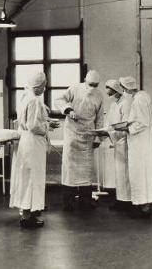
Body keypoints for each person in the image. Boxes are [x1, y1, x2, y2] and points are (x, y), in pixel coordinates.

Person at [9, 71, 59, 228]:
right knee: (33, 178)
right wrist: (48, 126)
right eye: (44, 85)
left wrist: (45, 120)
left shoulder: (24, 97)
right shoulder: (35, 101)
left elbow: (28, 120)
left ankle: (26, 212)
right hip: (33, 142)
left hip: (25, 140)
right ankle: (29, 216)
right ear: (38, 86)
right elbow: (34, 126)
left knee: (26, 177)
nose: (45, 88)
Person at [55, 70, 104, 211]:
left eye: (95, 85)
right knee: (70, 169)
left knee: (86, 171)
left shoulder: (99, 96)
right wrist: (68, 110)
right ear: (84, 80)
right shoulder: (75, 88)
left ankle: (85, 202)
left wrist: (98, 138)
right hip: (72, 133)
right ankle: (68, 203)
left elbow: (100, 118)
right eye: (90, 84)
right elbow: (59, 99)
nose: (92, 87)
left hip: (88, 134)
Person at [117, 76, 152, 218]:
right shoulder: (142, 95)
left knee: (139, 174)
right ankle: (143, 206)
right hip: (142, 141)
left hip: (140, 143)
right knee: (142, 174)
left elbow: (142, 122)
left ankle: (142, 207)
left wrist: (127, 128)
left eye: (122, 89)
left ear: (126, 88)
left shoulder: (139, 99)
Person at [104, 79, 132, 210]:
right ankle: (120, 199)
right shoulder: (114, 104)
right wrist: (106, 131)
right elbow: (110, 122)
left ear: (116, 90)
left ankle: (127, 201)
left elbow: (125, 124)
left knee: (125, 173)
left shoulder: (125, 103)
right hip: (117, 141)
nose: (108, 92)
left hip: (124, 141)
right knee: (119, 173)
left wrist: (113, 131)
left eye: (109, 89)